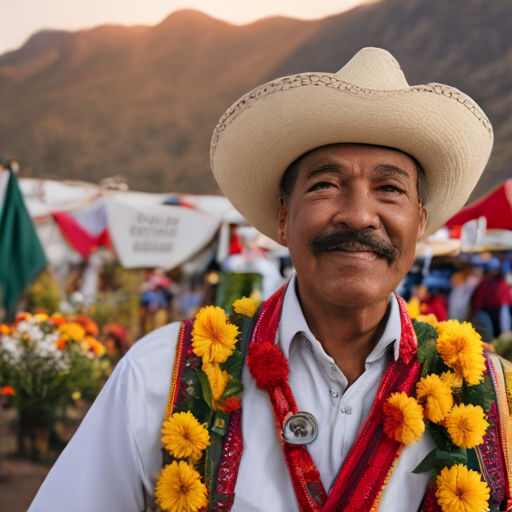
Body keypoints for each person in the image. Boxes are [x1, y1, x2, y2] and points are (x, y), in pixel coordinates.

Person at [29, 48, 498, 512]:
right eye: (325, 185)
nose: (358, 216)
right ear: (282, 216)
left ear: (419, 222)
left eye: (390, 189)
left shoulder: (493, 398)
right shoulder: (156, 378)